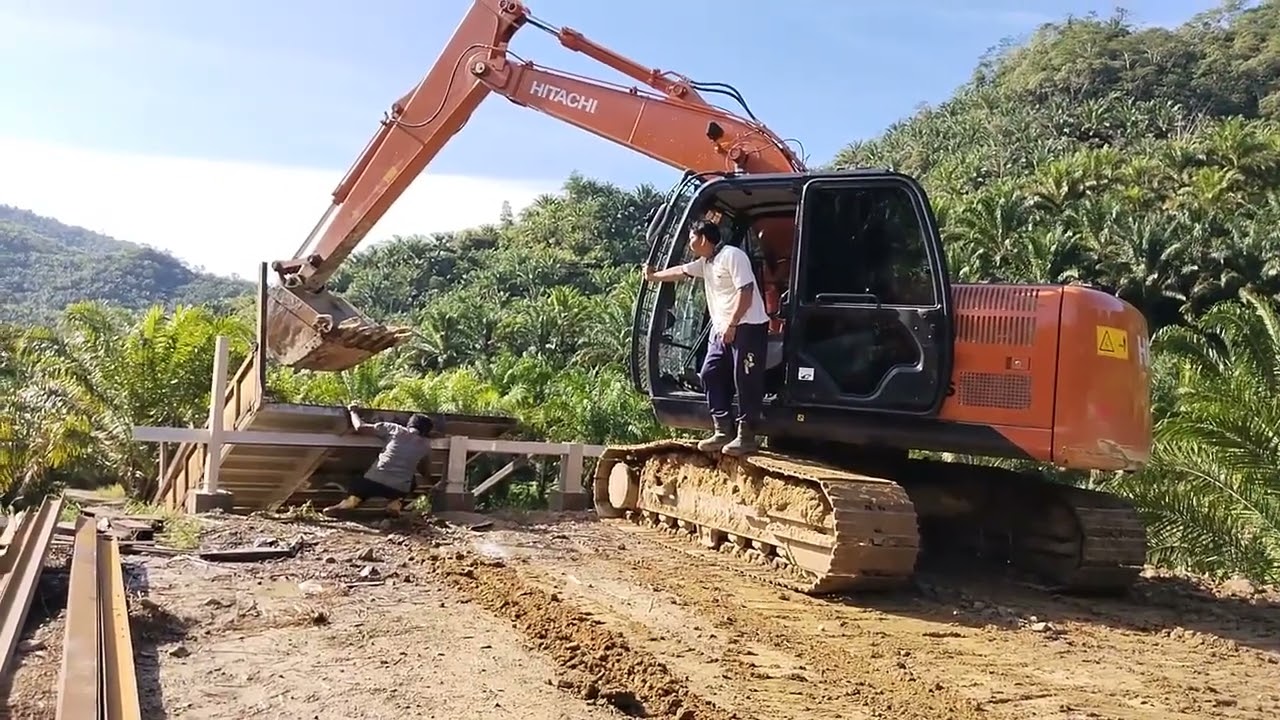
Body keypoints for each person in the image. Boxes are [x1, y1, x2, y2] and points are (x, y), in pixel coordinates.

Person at [644, 219, 771, 456]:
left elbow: (747, 291)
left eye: (692, 237)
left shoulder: (733, 256)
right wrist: (654, 277)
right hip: (722, 329)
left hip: (747, 326)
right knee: (710, 373)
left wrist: (733, 324)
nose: (690, 242)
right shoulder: (706, 263)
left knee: (745, 379)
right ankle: (723, 429)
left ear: (702, 238)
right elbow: (680, 272)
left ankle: (747, 436)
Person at [322, 404, 436, 518]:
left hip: (372, 483)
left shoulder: (395, 429)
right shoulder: (426, 445)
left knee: (358, 480)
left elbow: (360, 427)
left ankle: (351, 501)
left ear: (410, 424)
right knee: (412, 481)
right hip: (398, 489)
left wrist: (353, 411)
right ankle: (395, 503)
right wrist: (435, 484)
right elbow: (424, 470)